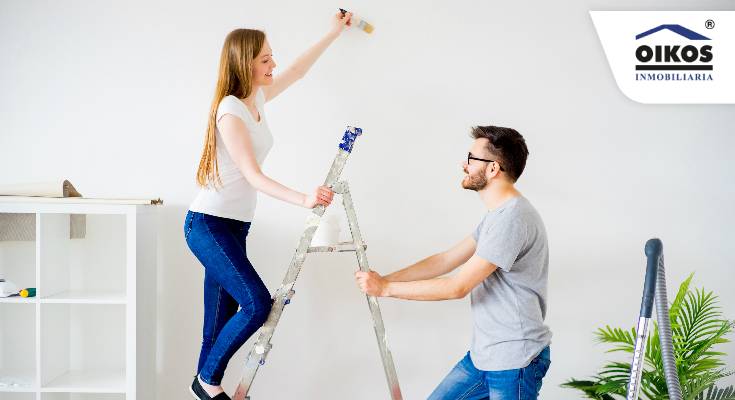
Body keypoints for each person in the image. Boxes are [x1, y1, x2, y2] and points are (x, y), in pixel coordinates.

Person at [184, 12, 353, 400]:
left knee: (218, 322)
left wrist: (332, 32)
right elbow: (253, 175)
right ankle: (206, 382)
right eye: (265, 59)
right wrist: (304, 199)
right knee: (257, 303)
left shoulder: (254, 99)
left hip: (234, 227)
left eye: (271, 56)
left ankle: (205, 384)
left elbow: (296, 71)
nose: (273, 64)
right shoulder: (229, 109)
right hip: (207, 225)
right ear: (245, 62)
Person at [355, 126, 552, 400]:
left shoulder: (512, 218)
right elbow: (445, 260)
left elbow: (457, 287)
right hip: (484, 356)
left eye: (471, 159)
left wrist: (386, 288)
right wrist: (387, 278)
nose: (464, 165)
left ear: (493, 168)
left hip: (514, 361)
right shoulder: (497, 216)